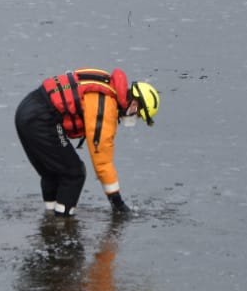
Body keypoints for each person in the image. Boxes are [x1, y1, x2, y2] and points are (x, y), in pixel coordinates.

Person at [14, 68, 160, 217]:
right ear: (135, 105)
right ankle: (62, 223)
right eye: (139, 115)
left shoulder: (108, 83)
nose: (135, 118)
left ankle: (50, 220)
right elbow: (102, 161)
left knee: (53, 173)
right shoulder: (106, 106)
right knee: (74, 173)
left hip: (27, 109)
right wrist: (118, 203)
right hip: (42, 119)